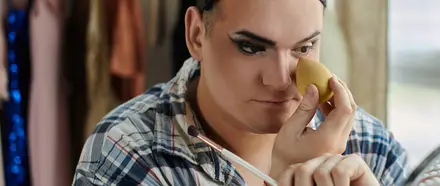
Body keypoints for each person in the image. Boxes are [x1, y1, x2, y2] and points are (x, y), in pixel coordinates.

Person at [72, 0, 409, 185]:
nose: (280, 80)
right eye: (250, 47)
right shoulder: (132, 152)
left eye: (304, 47)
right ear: (196, 36)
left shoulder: (368, 145)